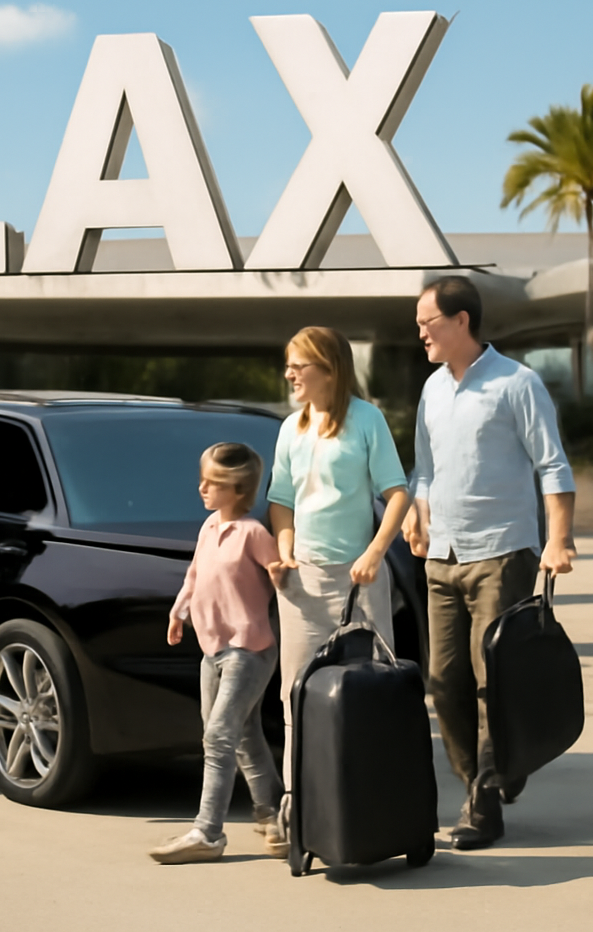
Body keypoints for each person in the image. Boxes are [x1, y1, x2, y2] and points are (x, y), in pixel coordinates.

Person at [402, 275, 575, 849]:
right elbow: (423, 468)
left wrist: (558, 540)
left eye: (428, 322)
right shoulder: (431, 390)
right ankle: (494, 774)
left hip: (502, 553)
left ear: (461, 321)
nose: (420, 331)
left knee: (491, 682)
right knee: (443, 680)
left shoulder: (516, 383)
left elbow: (552, 466)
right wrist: (417, 512)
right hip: (442, 556)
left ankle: (483, 801)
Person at [267, 326, 409, 853]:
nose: (289, 374)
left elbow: (397, 493)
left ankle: (375, 803)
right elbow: (280, 498)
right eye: (288, 364)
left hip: (359, 580)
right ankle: (297, 807)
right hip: (302, 582)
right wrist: (284, 549)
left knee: (372, 694)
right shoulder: (290, 429)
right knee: (295, 695)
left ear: (328, 368)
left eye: (298, 365)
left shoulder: (367, 421)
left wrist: (374, 552)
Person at [149, 443, 286, 864]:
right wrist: (179, 612)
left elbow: (279, 572)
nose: (202, 487)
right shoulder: (210, 527)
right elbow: (195, 574)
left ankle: (207, 832)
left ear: (238, 488)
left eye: (213, 482)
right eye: (203, 478)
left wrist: (282, 570)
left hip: (249, 649)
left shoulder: (253, 533)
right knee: (242, 734)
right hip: (213, 648)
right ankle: (274, 815)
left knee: (219, 737)